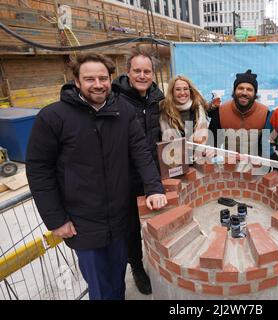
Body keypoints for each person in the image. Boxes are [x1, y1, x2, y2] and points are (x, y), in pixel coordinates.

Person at [26, 53, 167, 300]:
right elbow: (39, 170)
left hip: (119, 218)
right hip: (83, 222)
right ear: (77, 81)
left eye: (103, 78)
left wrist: (154, 187)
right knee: (100, 287)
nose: (98, 84)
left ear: (111, 79)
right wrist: (56, 218)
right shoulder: (53, 117)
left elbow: (141, 152)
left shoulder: (122, 111)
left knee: (117, 279)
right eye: (89, 78)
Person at [112, 47, 164, 295]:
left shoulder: (156, 99)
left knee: (158, 219)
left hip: (152, 172)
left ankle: (159, 261)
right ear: (128, 72)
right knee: (131, 227)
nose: (142, 75)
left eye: (147, 71)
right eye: (137, 71)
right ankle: (137, 267)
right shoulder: (115, 99)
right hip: (125, 176)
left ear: (153, 74)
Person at [208, 69, 270, 167]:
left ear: (255, 93)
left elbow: (266, 148)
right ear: (234, 90)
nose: (244, 93)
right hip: (228, 166)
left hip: (255, 168)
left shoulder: (265, 113)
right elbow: (212, 143)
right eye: (240, 88)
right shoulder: (221, 112)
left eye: (249, 89)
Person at [159, 75, 209, 144]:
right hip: (174, 152)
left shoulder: (198, 108)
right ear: (172, 92)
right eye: (178, 89)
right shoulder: (165, 111)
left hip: (199, 152)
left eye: (185, 89)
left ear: (190, 91)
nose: (182, 93)